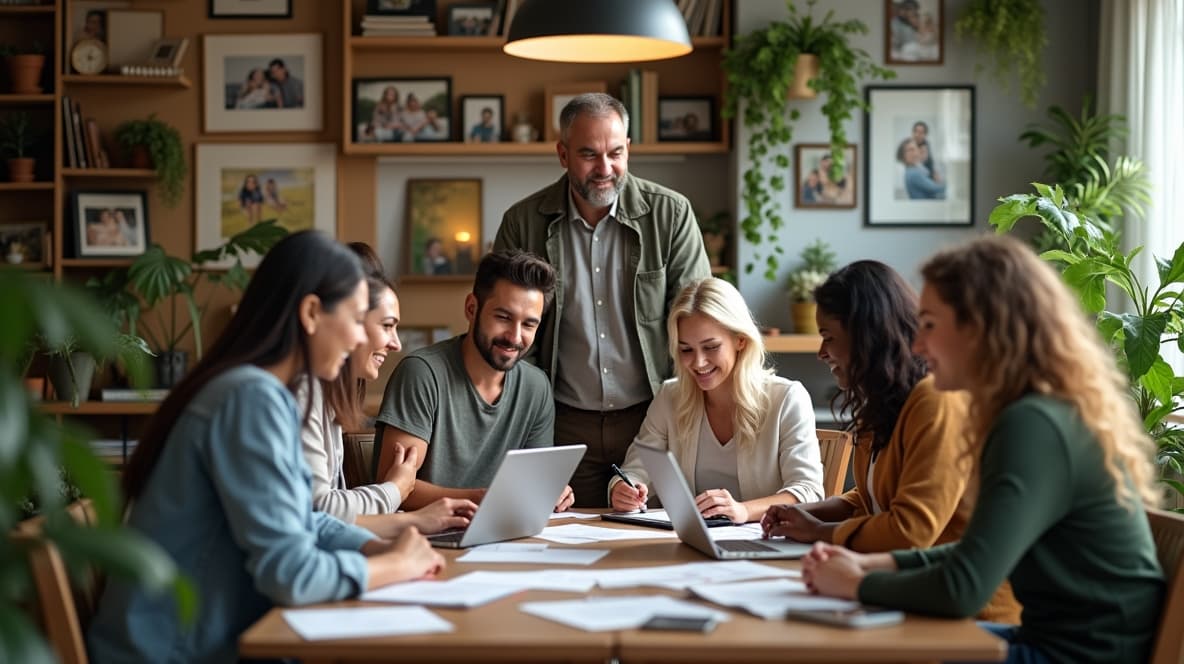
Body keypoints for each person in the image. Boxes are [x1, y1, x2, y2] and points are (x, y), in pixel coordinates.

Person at [800, 236, 1165, 664]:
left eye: (931, 325)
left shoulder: (1032, 424)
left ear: (979, 328)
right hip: (1053, 640)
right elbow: (973, 551)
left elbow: (963, 589)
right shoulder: (1032, 413)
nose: (916, 345)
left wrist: (856, 584)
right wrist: (872, 567)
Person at [87, 232, 444, 663]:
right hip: (172, 652)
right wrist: (395, 566)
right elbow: (290, 575)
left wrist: (375, 548)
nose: (356, 339)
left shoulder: (255, 388)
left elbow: (304, 518)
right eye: (354, 318)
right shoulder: (251, 399)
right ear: (312, 312)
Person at [760, 261, 1020, 623]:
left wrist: (820, 533)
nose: (822, 352)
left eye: (829, 337)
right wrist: (812, 513)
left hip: (971, 616)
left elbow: (910, 531)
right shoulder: (885, 401)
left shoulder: (936, 399)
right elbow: (874, 496)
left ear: (866, 335)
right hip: (910, 593)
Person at [493, 92, 711, 507]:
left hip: (654, 419)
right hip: (561, 425)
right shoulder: (522, 223)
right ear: (562, 154)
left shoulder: (671, 215)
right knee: (559, 546)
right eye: (589, 155)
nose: (605, 169)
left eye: (615, 153)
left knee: (656, 548)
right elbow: (507, 334)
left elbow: (701, 319)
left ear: (628, 149)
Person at [373, 249, 575, 512]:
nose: (514, 336)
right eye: (503, 317)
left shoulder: (537, 388)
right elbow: (394, 490)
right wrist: (484, 498)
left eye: (528, 325)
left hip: (505, 538)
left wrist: (550, 492)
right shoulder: (422, 373)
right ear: (471, 308)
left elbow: (532, 486)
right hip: (424, 538)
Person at [300, 241, 477, 537]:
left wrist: (407, 528)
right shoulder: (300, 394)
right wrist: (394, 491)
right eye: (385, 325)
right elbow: (320, 512)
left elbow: (325, 524)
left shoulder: (326, 399)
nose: (396, 343)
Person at [610, 278, 824, 521]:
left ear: (740, 340)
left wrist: (743, 510)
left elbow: (808, 492)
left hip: (763, 545)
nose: (698, 363)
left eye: (711, 347)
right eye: (686, 350)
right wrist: (624, 489)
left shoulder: (787, 399)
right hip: (688, 545)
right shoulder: (670, 397)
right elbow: (636, 470)